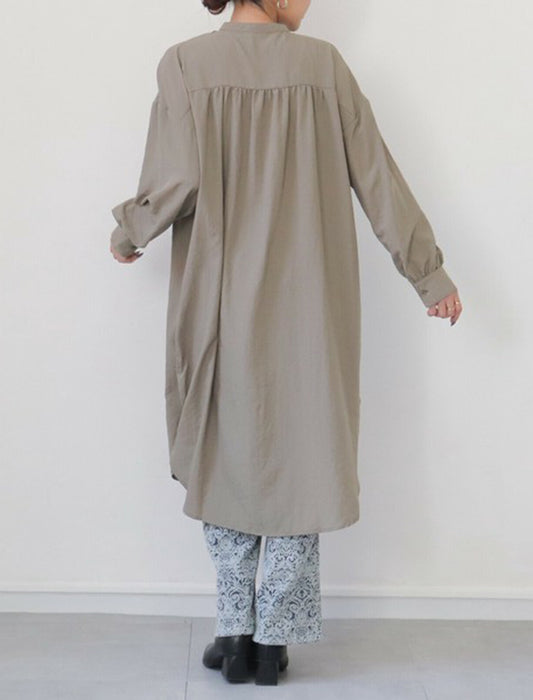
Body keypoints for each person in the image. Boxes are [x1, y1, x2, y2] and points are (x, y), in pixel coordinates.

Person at [109, 0, 463, 686]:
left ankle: (234, 633)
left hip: (217, 304)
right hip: (312, 305)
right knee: (304, 460)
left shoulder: (185, 64)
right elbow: (378, 179)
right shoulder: (323, 67)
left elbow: (174, 179)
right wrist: (428, 274)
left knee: (223, 455)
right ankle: (272, 643)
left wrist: (130, 233)